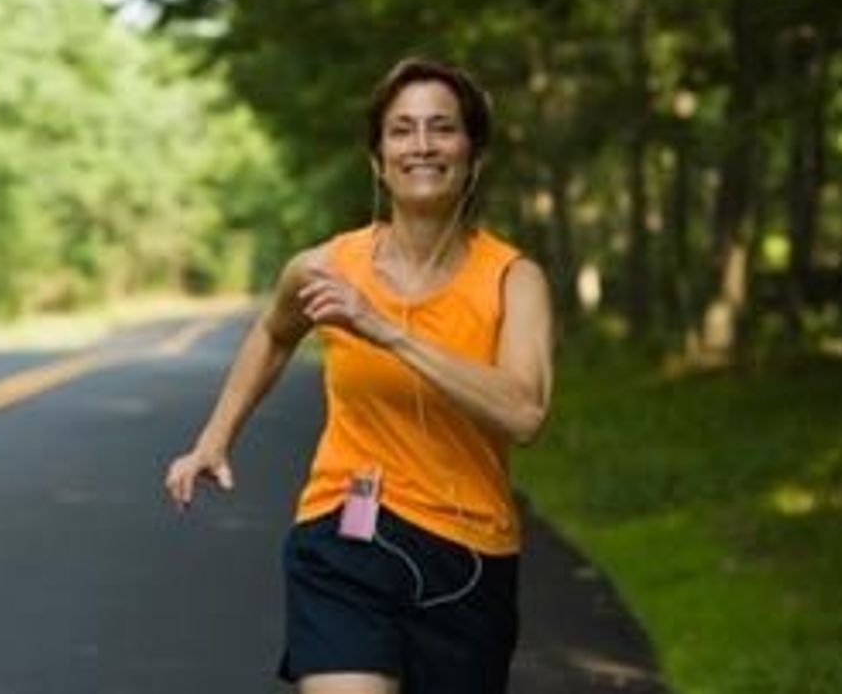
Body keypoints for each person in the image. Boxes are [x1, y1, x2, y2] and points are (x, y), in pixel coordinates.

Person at [164, 57, 555, 694]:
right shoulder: (327, 267)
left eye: (442, 128)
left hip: (471, 556)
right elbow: (274, 332)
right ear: (378, 159)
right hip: (346, 532)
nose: (421, 145)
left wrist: (385, 329)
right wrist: (216, 436)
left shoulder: (514, 280)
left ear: (473, 154)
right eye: (401, 130)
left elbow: (524, 413)